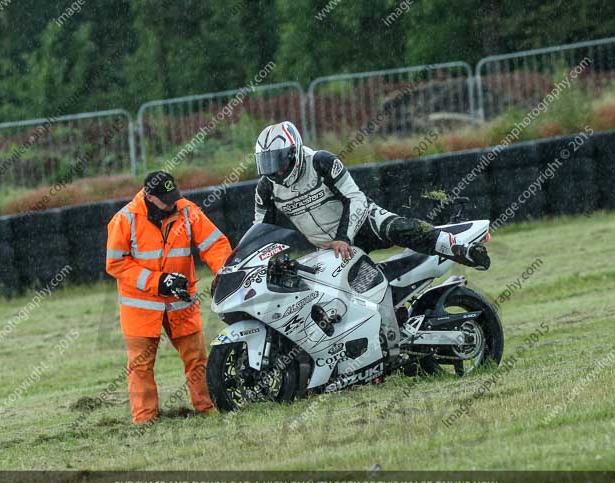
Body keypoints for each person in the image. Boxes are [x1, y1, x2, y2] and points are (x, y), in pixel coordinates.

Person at [252, 121, 489, 268]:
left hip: (364, 223)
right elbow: (260, 231)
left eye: (279, 161)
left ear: (294, 152)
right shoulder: (266, 187)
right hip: (328, 249)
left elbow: (354, 198)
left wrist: (345, 237)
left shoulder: (321, 162)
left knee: (400, 228)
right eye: (268, 163)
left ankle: (459, 248)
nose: (275, 170)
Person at [106, 171, 231, 424]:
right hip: (140, 307)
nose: (172, 204)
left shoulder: (187, 211)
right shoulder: (124, 220)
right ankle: (144, 420)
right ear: (149, 197)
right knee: (140, 366)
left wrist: (226, 273)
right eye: (165, 200)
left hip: (180, 302)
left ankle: (207, 409)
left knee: (197, 359)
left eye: (174, 197)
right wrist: (159, 282)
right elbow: (115, 264)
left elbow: (214, 244)